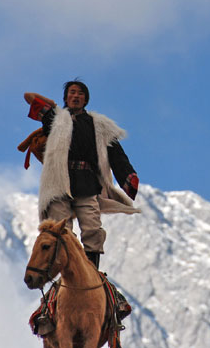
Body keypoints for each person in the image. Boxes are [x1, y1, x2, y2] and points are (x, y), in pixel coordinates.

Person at [24, 80, 139, 268]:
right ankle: (68, 273)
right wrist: (52, 105)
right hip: (58, 183)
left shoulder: (99, 125)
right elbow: (29, 96)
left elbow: (116, 154)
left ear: (86, 99)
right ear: (66, 98)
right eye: (72, 92)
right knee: (61, 231)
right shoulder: (54, 118)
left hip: (87, 182)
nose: (76, 96)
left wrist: (128, 177)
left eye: (80, 93)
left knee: (93, 228)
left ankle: (92, 271)